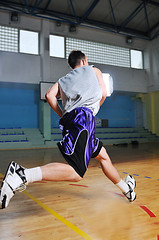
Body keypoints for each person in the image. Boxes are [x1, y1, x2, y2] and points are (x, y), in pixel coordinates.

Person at [0, 50, 136, 209]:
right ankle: (22, 174)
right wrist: (92, 110)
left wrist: (63, 114)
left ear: (72, 65)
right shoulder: (94, 70)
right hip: (84, 119)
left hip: (71, 121)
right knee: (77, 172)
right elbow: (104, 93)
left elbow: (49, 96)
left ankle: (127, 190)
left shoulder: (62, 80)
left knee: (103, 157)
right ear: (84, 60)